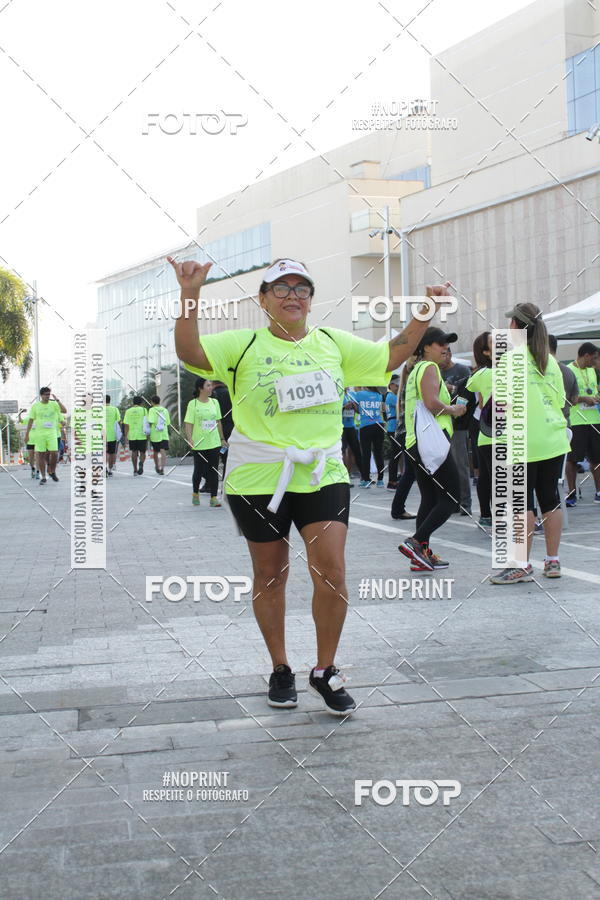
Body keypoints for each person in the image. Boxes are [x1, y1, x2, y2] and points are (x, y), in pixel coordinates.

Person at [171, 254, 448, 715]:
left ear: (312, 299)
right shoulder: (242, 346)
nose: (293, 296)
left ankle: (325, 670)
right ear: (263, 299)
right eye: (281, 288)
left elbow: (394, 352)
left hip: (322, 472)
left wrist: (424, 312)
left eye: (302, 289)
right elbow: (189, 353)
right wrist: (190, 294)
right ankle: (281, 668)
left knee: (332, 570)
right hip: (258, 476)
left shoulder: (332, 344)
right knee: (270, 575)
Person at [489, 304, 571, 584]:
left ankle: (521, 564)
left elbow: (502, 404)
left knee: (522, 502)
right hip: (554, 437)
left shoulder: (510, 360)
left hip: (524, 440)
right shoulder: (550, 361)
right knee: (550, 498)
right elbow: (560, 402)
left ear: (516, 326)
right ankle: (553, 561)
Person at [399, 328, 466, 571]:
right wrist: (453, 409)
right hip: (432, 443)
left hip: (416, 443)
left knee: (429, 498)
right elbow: (431, 404)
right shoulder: (429, 368)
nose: (445, 347)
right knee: (450, 497)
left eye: (447, 344)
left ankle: (422, 554)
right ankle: (416, 542)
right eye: (440, 343)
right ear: (426, 346)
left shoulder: (416, 369)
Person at [565, 341, 600, 506]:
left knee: (597, 458)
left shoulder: (591, 371)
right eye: (593, 359)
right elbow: (566, 399)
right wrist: (584, 399)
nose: (594, 362)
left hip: (595, 420)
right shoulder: (568, 371)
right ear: (585, 355)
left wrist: (596, 396)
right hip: (577, 421)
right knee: (572, 459)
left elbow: (593, 390)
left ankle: (599, 492)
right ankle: (572, 494)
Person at [440, 347, 474, 515]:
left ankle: (465, 503)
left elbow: (469, 393)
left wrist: (451, 389)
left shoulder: (462, 370)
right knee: (444, 465)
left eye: (444, 354)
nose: (441, 358)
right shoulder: (435, 371)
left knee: (460, 464)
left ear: (450, 354)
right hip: (440, 424)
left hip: (458, 424)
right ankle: (451, 501)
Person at [184, 378, 227, 507]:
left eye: (211, 385)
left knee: (213, 470)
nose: (211, 388)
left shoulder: (215, 403)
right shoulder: (193, 404)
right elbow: (188, 423)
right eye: (208, 385)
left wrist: (222, 438)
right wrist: (190, 438)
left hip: (214, 443)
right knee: (199, 469)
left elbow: (218, 421)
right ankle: (195, 494)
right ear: (200, 388)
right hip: (199, 443)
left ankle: (213, 498)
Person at [467, 332, 493, 527]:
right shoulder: (483, 373)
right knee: (489, 471)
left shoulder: (480, 373)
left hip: (483, 423)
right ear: (485, 351)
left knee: (487, 471)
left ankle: (486, 513)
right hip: (486, 424)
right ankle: (487, 513)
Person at [390, 359, 417, 520]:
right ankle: (398, 509)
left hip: (402, 432)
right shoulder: (410, 387)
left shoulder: (403, 388)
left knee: (410, 472)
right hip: (408, 432)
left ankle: (398, 508)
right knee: (410, 473)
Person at [24, 388, 67, 485]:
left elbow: (64, 410)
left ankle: (52, 471)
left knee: (55, 453)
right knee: (41, 455)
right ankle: (43, 476)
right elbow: (30, 421)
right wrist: (27, 435)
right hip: (40, 434)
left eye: (49, 394)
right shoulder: (35, 406)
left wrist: (57, 400)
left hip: (52, 433)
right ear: (41, 395)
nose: (48, 396)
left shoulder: (54, 404)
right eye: (46, 394)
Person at [354, 386, 386, 487]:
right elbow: (383, 409)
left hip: (365, 426)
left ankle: (366, 480)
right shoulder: (379, 395)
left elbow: (358, 410)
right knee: (379, 453)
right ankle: (380, 480)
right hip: (379, 425)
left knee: (366, 454)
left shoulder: (359, 394)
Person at [211, 379, 233, 483]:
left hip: (213, 429)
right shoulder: (230, 393)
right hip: (229, 429)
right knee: (226, 458)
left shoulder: (211, 395)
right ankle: (225, 483)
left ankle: (209, 484)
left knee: (212, 459)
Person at [341, 388, 362, 487]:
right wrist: (344, 407)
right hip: (341, 427)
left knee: (356, 451)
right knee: (342, 452)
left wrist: (353, 405)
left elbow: (359, 410)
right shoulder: (338, 393)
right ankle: (343, 477)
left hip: (352, 427)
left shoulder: (352, 394)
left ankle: (363, 476)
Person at [123, 396, 148, 475]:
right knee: (143, 452)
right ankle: (141, 463)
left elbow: (126, 425)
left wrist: (126, 436)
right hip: (142, 434)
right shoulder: (144, 410)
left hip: (132, 434)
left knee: (134, 451)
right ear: (141, 403)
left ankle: (135, 470)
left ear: (133, 402)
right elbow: (147, 422)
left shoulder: (128, 411)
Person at [148, 395, 171, 475]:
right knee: (163, 450)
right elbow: (168, 423)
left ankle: (157, 466)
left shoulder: (151, 410)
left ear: (152, 402)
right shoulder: (165, 410)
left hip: (155, 434)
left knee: (155, 451)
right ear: (159, 401)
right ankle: (162, 468)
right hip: (164, 434)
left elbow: (150, 421)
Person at [384, 376, 400, 489]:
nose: (398, 386)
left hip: (393, 428)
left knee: (396, 455)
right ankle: (392, 481)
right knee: (395, 456)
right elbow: (402, 406)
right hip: (393, 428)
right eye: (397, 384)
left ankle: (394, 479)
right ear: (391, 385)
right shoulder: (391, 396)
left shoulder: (391, 396)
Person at [19, 406, 39, 478]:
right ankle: (32, 469)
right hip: (30, 441)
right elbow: (21, 421)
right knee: (31, 456)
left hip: (39, 440)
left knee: (38, 456)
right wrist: (20, 413)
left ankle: (38, 471)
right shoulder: (28, 419)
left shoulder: (40, 419)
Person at [105, 395, 121, 476]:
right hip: (112, 434)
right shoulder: (115, 409)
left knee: (103, 452)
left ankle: (104, 468)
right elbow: (118, 421)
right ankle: (109, 469)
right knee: (112, 453)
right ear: (110, 400)